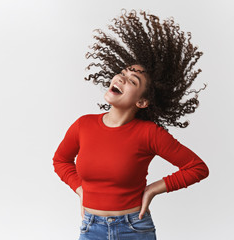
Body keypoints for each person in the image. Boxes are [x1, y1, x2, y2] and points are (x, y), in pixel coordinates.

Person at [52, 9, 209, 240]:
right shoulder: (83, 125)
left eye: (132, 80)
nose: (121, 79)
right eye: (122, 73)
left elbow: (197, 167)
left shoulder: (149, 134)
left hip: (134, 228)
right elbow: (61, 160)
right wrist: (80, 189)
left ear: (142, 101)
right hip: (91, 228)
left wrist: (153, 189)